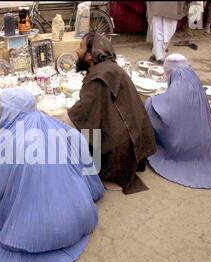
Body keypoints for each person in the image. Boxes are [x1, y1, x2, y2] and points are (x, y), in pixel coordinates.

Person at [0, 88, 104, 262]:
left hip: (31, 235)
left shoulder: (7, 143)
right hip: (81, 217)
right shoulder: (60, 127)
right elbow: (86, 162)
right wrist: (93, 191)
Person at [61, 32, 157, 194]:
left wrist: (56, 119)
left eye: (81, 46)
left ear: (90, 55)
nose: (77, 51)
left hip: (123, 146)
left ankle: (111, 173)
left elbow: (80, 115)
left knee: (68, 135)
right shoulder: (110, 68)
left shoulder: (100, 76)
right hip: (135, 136)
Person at [144, 54, 211, 188]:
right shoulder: (192, 77)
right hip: (205, 142)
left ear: (168, 72)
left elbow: (167, 111)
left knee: (151, 104)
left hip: (181, 150)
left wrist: (152, 100)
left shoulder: (177, 85)